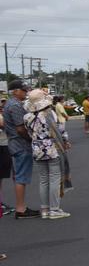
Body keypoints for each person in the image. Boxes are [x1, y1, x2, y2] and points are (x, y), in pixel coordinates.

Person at [24, 88, 70, 219]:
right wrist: (65, 141)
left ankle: (44, 209)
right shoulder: (49, 114)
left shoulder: (27, 117)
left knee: (43, 180)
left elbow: (29, 134)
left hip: (37, 149)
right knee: (54, 178)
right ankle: (54, 209)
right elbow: (60, 129)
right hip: (52, 149)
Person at [4, 80, 39, 219]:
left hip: (15, 144)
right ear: (15, 91)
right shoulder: (15, 105)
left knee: (19, 176)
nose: (25, 92)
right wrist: (31, 139)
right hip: (20, 144)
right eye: (23, 90)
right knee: (21, 177)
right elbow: (20, 129)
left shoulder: (10, 104)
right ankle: (21, 208)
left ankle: (21, 207)